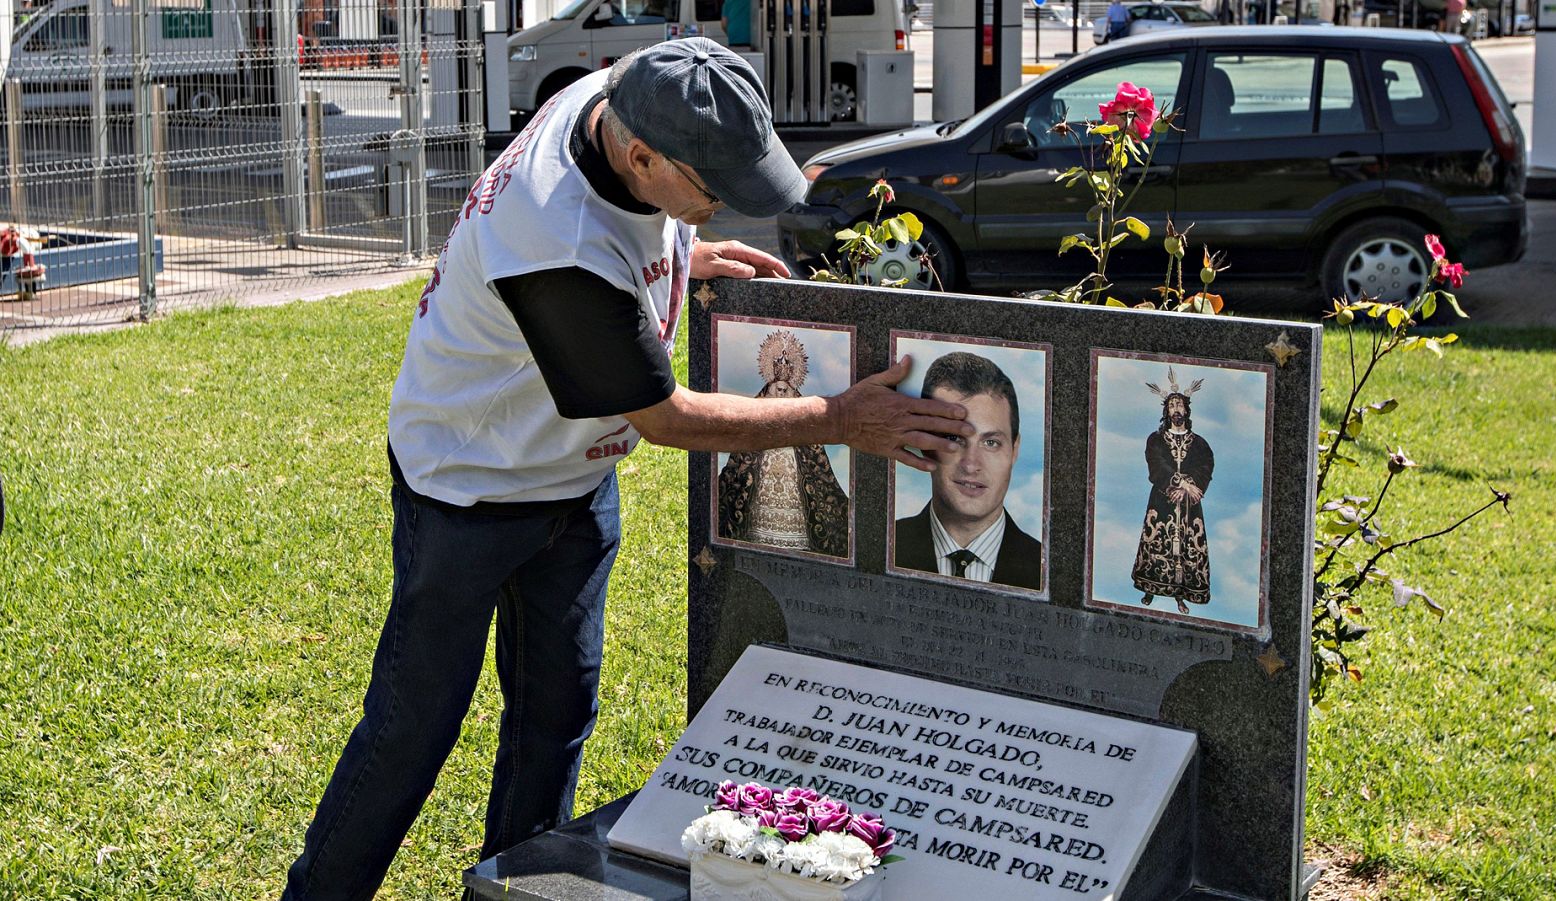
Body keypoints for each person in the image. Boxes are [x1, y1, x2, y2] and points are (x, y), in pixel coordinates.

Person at [280, 38, 970, 901]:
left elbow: (637, 232)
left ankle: (517, 888)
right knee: (411, 730)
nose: (722, 212)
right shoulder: (556, 237)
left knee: (556, 715)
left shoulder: (640, 88)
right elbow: (665, 416)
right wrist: (838, 419)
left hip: (570, 479)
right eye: (713, 196)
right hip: (468, 487)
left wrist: (686, 257)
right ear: (642, 156)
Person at [894, 352, 1042, 591]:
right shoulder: (884, 543)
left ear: (1014, 450)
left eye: (991, 443)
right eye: (954, 438)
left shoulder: (1045, 569)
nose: (971, 464)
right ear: (923, 442)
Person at [718, 330, 851, 557]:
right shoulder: (754, 417)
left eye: (785, 390)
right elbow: (737, 467)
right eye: (777, 388)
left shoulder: (805, 424)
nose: (781, 393)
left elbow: (818, 469)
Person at [1131, 368, 1213, 615]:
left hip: (1189, 505)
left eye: (1180, 406)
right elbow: (1157, 465)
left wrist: (1190, 486)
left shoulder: (1199, 442)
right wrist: (1178, 484)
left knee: (1188, 546)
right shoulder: (1155, 439)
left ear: (1187, 410)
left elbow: (1206, 464)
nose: (1176, 410)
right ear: (1166, 411)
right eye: (1172, 406)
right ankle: (1150, 588)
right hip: (1162, 502)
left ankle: (1181, 594)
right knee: (1157, 543)